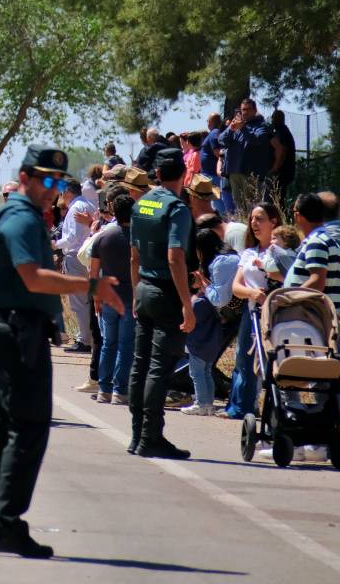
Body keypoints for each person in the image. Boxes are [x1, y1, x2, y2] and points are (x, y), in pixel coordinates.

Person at [0, 144, 123, 558]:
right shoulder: (21, 218)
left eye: (58, 182)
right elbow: (33, 278)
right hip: (17, 333)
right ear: (24, 178)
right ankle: (4, 523)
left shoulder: (22, 215)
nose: (52, 190)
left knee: (4, 430)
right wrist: (91, 286)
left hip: (10, 329)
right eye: (45, 180)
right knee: (28, 429)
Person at [127, 147, 195, 459]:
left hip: (143, 288)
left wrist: (135, 294)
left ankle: (137, 434)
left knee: (140, 363)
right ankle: (151, 437)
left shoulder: (142, 204)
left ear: (156, 174)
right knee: (158, 367)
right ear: (183, 174)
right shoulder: (177, 209)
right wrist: (187, 303)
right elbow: (175, 257)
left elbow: (134, 257)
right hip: (167, 292)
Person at [223, 202, 283, 419]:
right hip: (252, 313)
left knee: (274, 364)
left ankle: (277, 409)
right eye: (252, 219)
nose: (254, 223)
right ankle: (242, 408)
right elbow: (236, 287)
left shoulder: (283, 252)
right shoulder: (249, 253)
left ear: (273, 222)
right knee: (244, 361)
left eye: (260, 219)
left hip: (277, 315)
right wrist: (251, 294)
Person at [183, 228, 240, 416]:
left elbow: (219, 299)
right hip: (217, 335)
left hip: (198, 344)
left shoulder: (219, 264)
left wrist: (204, 283)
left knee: (197, 373)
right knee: (206, 372)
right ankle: (206, 402)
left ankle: (202, 402)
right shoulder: (233, 257)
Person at [89, 193, 135, 405]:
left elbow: (94, 271)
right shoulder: (137, 237)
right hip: (130, 296)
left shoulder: (103, 237)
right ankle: (119, 390)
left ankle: (104, 389)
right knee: (125, 345)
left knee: (108, 343)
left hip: (107, 294)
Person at [53, 178, 96, 353]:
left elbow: (72, 238)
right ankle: (86, 337)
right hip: (85, 257)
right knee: (85, 300)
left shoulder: (75, 209)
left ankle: (84, 340)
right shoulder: (88, 205)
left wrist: (55, 244)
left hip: (75, 256)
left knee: (78, 301)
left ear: (68, 192)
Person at [219, 98, 275, 206]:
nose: (245, 112)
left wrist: (243, 128)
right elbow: (221, 139)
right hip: (234, 171)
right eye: (243, 110)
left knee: (252, 206)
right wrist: (231, 129)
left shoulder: (261, 125)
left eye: (248, 109)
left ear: (254, 111)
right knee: (239, 206)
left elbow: (257, 140)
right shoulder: (236, 125)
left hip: (251, 173)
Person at [270, 110, 297, 202]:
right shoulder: (284, 131)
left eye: (274, 118)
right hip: (287, 170)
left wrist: (276, 167)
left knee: (277, 198)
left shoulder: (281, 131)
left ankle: (280, 215)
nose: (272, 121)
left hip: (282, 171)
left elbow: (282, 150)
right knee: (279, 197)